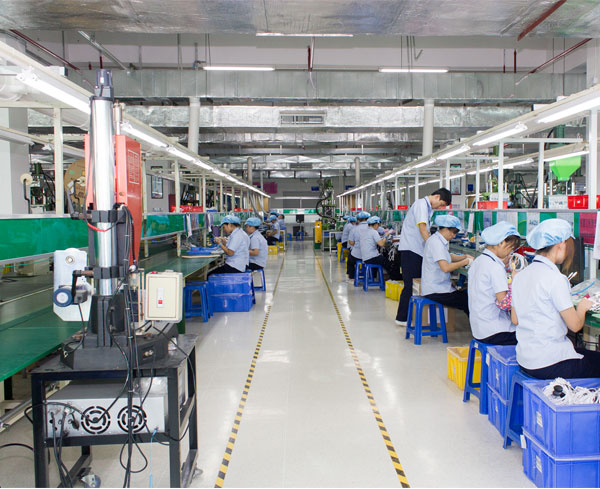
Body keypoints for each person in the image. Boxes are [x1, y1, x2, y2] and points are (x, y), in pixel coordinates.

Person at [512, 219, 600, 379]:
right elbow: (575, 326)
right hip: (550, 363)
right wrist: (582, 308)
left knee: (584, 354)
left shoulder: (520, 275)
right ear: (560, 244)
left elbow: (515, 319)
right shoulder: (555, 279)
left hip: (525, 359)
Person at [395, 188, 452, 326]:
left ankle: (410, 316)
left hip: (416, 250)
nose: (439, 207)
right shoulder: (421, 204)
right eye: (441, 204)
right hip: (411, 250)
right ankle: (402, 318)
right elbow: (422, 228)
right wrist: (433, 245)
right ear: (436, 196)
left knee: (414, 284)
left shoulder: (427, 208)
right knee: (411, 285)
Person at [468, 221, 522, 345]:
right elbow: (504, 304)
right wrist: (515, 282)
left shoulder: (479, 261)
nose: (510, 252)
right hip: (495, 331)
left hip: (479, 328)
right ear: (501, 242)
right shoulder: (495, 267)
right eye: (510, 248)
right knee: (531, 335)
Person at [420, 214, 472, 315]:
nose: (454, 236)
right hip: (436, 290)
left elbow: (448, 256)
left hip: (437, 286)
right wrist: (466, 262)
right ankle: (476, 325)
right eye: (454, 232)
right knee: (468, 300)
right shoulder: (437, 243)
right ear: (446, 229)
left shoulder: (437, 239)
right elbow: (446, 268)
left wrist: (464, 256)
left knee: (466, 295)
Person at [347, 211, 370, 280]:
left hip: (357, 255)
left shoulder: (354, 229)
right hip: (369, 256)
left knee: (350, 261)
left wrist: (357, 243)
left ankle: (352, 276)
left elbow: (351, 242)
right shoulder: (371, 228)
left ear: (358, 220)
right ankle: (372, 276)